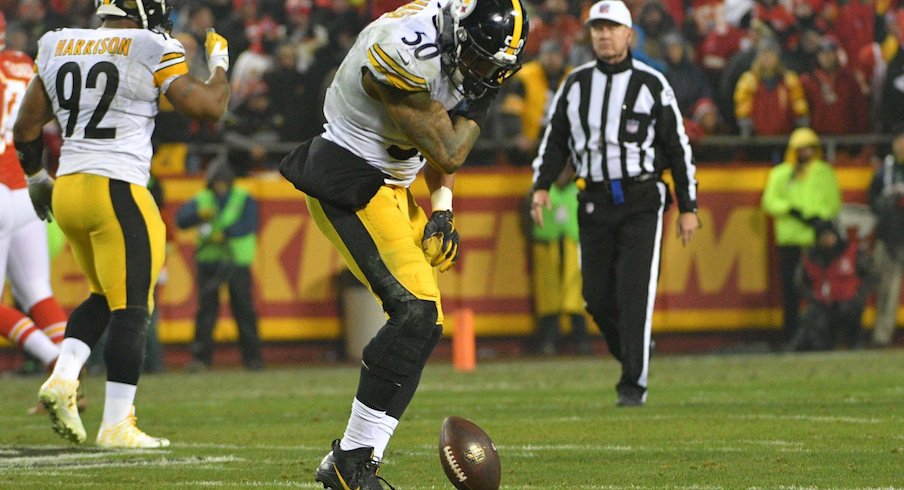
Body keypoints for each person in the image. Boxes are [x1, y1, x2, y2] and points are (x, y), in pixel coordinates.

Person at [278, 0, 528, 486]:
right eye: (478, 61)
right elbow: (448, 147)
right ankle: (350, 463)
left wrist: (441, 207)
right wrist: (484, 99)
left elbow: (438, 128)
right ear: (456, 33)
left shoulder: (452, 44)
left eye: (495, 68)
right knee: (414, 313)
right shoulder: (403, 51)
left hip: (392, 184)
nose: (483, 75)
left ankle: (355, 460)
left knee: (425, 322)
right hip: (349, 178)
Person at [13, 0, 230, 448]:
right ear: (143, 11)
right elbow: (209, 109)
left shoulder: (58, 42)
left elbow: (26, 126)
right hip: (118, 188)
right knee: (133, 308)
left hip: (69, 188)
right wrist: (221, 63)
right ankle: (117, 424)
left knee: (103, 298)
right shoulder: (151, 44)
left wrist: (37, 178)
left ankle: (64, 376)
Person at [530, 0, 700, 408]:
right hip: (593, 199)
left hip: (642, 198)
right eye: (597, 28)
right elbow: (555, 140)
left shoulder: (653, 82)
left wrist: (688, 205)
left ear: (629, 34)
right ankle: (635, 353)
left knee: (635, 294)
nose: (604, 35)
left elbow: (677, 146)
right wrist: (541, 186)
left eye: (612, 28)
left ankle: (632, 385)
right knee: (596, 298)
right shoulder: (575, 84)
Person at [0, 10, 68, 372]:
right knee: (38, 291)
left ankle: (56, 360)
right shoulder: (23, 64)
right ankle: (69, 375)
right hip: (26, 187)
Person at [176, 160, 263, 371]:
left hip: (236, 262)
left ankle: (253, 359)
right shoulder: (203, 199)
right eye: (217, 184)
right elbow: (181, 220)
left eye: (223, 183)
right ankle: (200, 358)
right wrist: (198, 216)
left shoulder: (244, 198)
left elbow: (249, 225)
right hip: (210, 261)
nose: (220, 188)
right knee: (206, 311)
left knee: (243, 309)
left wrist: (224, 233)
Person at [761, 127, 841, 346]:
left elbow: (833, 202)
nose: (805, 153)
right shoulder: (782, 174)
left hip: (816, 240)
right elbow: (769, 201)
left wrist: (817, 219)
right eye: (801, 148)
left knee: (821, 291)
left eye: (809, 148)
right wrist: (792, 210)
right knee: (791, 291)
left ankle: (821, 336)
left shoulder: (823, 172)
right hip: (790, 240)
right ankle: (792, 335)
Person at [526, 165, 591, 356]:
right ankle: (548, 341)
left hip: (574, 248)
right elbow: (526, 216)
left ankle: (581, 341)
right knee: (549, 297)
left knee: (575, 297)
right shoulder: (541, 190)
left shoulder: (579, 189)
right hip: (547, 247)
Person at [792, 220, 874, 351]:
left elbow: (872, 275)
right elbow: (799, 283)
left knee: (851, 310)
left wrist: (859, 295)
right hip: (822, 303)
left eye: (830, 235)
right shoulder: (811, 257)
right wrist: (813, 297)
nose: (828, 239)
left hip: (848, 301)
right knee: (810, 318)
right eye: (823, 236)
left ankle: (855, 343)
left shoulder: (851, 252)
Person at [867, 128, 904, 347]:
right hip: (890, 236)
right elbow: (873, 199)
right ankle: (882, 335)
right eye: (900, 141)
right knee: (886, 287)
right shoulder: (885, 170)